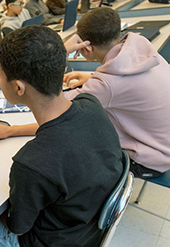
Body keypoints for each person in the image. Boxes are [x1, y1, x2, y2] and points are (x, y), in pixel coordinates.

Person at [0, 25, 123, 247]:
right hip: (85, 233)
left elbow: (17, 226)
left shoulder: (32, 162)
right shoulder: (90, 105)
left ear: (18, 87)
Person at [62, 7, 170, 178]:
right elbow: (125, 84)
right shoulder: (141, 48)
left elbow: (55, 105)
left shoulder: (106, 84)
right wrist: (91, 77)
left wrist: (62, 51)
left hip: (152, 161)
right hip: (164, 144)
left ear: (86, 47)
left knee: (75, 139)